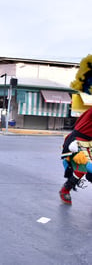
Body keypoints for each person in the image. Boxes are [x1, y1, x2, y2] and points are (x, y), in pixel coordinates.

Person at [59, 54, 92, 205]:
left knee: (85, 170)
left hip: (89, 143)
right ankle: (65, 190)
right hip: (78, 141)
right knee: (82, 169)